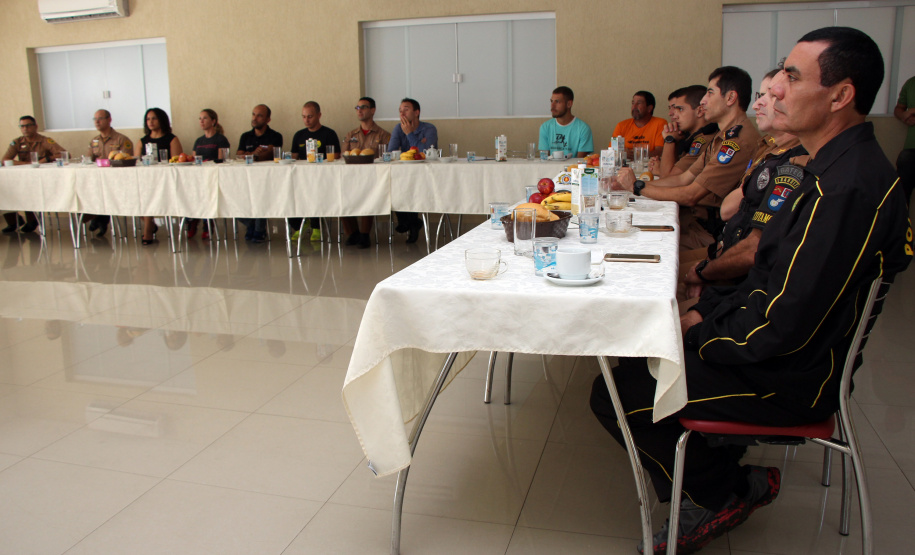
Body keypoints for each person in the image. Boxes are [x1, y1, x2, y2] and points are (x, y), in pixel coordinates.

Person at [590, 27, 912, 554]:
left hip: (790, 376)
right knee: (641, 352)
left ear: (840, 95)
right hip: (780, 349)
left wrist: (696, 331)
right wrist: (705, 315)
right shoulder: (830, 167)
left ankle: (722, 493)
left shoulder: (845, 189)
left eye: (792, 77)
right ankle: (717, 467)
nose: (776, 89)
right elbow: (769, 276)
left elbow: (780, 322)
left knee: (619, 390)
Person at [678, 69, 805, 312]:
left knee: (664, 283)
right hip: (726, 251)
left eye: (772, 95)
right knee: (662, 270)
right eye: (761, 95)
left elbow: (750, 247)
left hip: (739, 279)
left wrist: (706, 273)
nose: (758, 104)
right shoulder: (768, 147)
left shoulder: (792, 160)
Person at [616, 67, 761, 251]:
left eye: (710, 93)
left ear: (731, 98)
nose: (703, 101)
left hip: (707, 232)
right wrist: (630, 185)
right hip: (696, 222)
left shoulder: (736, 142)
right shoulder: (722, 136)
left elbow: (690, 195)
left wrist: (637, 187)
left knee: (636, 243)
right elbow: (681, 179)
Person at [341, 97, 391, 249]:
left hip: (373, 178)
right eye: (357, 108)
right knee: (340, 193)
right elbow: (344, 155)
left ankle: (364, 234)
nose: (359, 110)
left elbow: (387, 158)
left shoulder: (383, 135)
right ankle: (352, 233)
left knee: (369, 194)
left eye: (363, 107)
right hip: (350, 178)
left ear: (373, 110)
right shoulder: (351, 134)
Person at [289, 101, 341, 242]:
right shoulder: (299, 135)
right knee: (288, 191)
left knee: (314, 190)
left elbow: (336, 155)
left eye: (310, 116)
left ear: (319, 115)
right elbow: (293, 157)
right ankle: (299, 225)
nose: (306, 120)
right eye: (304, 117)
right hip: (301, 176)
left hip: (323, 177)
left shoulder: (329, 134)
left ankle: (316, 226)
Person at [2, 115, 64, 233]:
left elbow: (64, 154)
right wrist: (26, 163)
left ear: (35, 126)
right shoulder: (17, 142)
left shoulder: (45, 141)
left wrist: (47, 159)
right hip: (21, 177)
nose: (25, 129)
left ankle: (32, 220)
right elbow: (5, 160)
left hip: (40, 178)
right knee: (6, 190)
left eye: (28, 126)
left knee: (28, 190)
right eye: (22, 126)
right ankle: (13, 221)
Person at [388, 98, 437, 244]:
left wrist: (410, 134)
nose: (402, 113)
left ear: (416, 112)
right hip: (403, 174)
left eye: (406, 109)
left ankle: (410, 222)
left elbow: (426, 152)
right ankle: (411, 222)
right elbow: (391, 153)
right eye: (400, 110)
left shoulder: (429, 129)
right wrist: (418, 143)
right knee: (395, 183)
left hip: (425, 174)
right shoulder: (398, 128)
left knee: (411, 185)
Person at [134, 108, 183, 246]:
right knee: (139, 193)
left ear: (162, 120)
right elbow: (136, 162)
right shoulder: (142, 141)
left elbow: (177, 162)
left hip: (165, 181)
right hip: (145, 180)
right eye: (148, 119)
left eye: (154, 118)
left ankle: (148, 230)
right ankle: (150, 225)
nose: (150, 121)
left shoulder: (171, 139)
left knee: (149, 193)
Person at [82, 109, 135, 237]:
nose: (97, 122)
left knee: (105, 192)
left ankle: (99, 217)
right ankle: (96, 216)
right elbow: (88, 161)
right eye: (95, 119)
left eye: (100, 118)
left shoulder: (122, 140)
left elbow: (126, 161)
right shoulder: (94, 141)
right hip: (97, 181)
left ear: (109, 119)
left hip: (117, 181)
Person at [236, 104, 283, 243]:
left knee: (261, 194)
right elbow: (238, 155)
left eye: (259, 115)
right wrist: (254, 153)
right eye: (253, 114)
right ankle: (251, 223)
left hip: (267, 179)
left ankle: (259, 230)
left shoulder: (275, 136)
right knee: (232, 195)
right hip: (245, 178)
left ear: (268, 119)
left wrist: (250, 155)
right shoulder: (245, 136)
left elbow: (269, 154)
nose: (255, 118)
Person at [653, 86, 718, 179]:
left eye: (680, 109)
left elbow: (668, 178)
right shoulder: (688, 136)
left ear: (699, 111)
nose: (675, 116)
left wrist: (669, 140)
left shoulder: (704, 140)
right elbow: (676, 166)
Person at [190, 108, 230, 240]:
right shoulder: (198, 141)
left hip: (213, 177)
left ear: (213, 121)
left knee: (206, 193)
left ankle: (207, 224)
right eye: (200, 118)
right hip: (198, 177)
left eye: (205, 118)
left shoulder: (221, 139)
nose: (201, 121)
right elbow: (193, 160)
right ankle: (193, 219)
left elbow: (221, 161)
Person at [537, 86, 593, 159]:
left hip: (573, 166)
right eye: (551, 101)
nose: (552, 106)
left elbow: (580, 162)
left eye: (557, 101)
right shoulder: (545, 127)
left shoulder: (583, 129)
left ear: (569, 104)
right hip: (550, 166)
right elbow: (544, 159)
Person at [612, 91, 667, 156]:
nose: (634, 106)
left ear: (649, 108)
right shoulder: (621, 125)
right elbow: (612, 151)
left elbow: (660, 151)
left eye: (639, 103)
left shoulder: (660, 123)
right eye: (633, 103)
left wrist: (636, 155)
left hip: (648, 162)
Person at [894, 74, 915, 201]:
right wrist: (904, 116)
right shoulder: (911, 83)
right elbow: (899, 108)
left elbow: (909, 110)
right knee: (900, 195)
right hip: (911, 149)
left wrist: (911, 111)